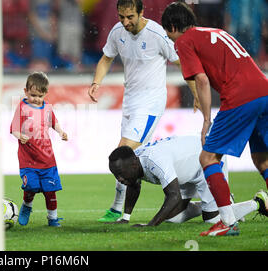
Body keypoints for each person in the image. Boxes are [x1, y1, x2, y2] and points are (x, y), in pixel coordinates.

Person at [161, 2, 268, 236]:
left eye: (168, 34)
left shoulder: (184, 41)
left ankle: (227, 222)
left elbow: (201, 80)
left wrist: (207, 119)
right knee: (262, 160)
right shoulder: (215, 32)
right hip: (264, 90)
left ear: (171, 27)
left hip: (241, 95)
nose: (170, 40)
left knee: (208, 157)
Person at [87, 0, 199, 223]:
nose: (125, 22)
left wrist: (197, 93)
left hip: (151, 103)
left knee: (123, 152)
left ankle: (117, 209)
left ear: (141, 12)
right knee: (131, 159)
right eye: (121, 17)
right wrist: (96, 82)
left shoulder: (158, 34)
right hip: (130, 101)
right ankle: (201, 197)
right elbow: (106, 58)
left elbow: (182, 64)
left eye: (130, 17)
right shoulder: (117, 32)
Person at [108, 136, 268, 228]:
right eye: (116, 175)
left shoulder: (154, 161)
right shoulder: (133, 163)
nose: (119, 179)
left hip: (206, 161)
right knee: (172, 218)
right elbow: (134, 186)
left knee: (211, 220)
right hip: (184, 171)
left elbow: (173, 195)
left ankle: (259, 202)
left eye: (120, 174)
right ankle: (223, 202)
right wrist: (126, 217)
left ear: (134, 164)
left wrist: (150, 225)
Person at [10, 71, 68, 227]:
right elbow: (14, 128)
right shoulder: (22, 107)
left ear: (45, 94)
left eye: (40, 96)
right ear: (26, 91)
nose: (36, 99)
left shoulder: (47, 108)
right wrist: (19, 135)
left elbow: (54, 123)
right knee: (32, 186)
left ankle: (52, 218)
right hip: (28, 159)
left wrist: (61, 132)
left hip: (47, 159)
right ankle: (27, 206)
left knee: (50, 191)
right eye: (33, 95)